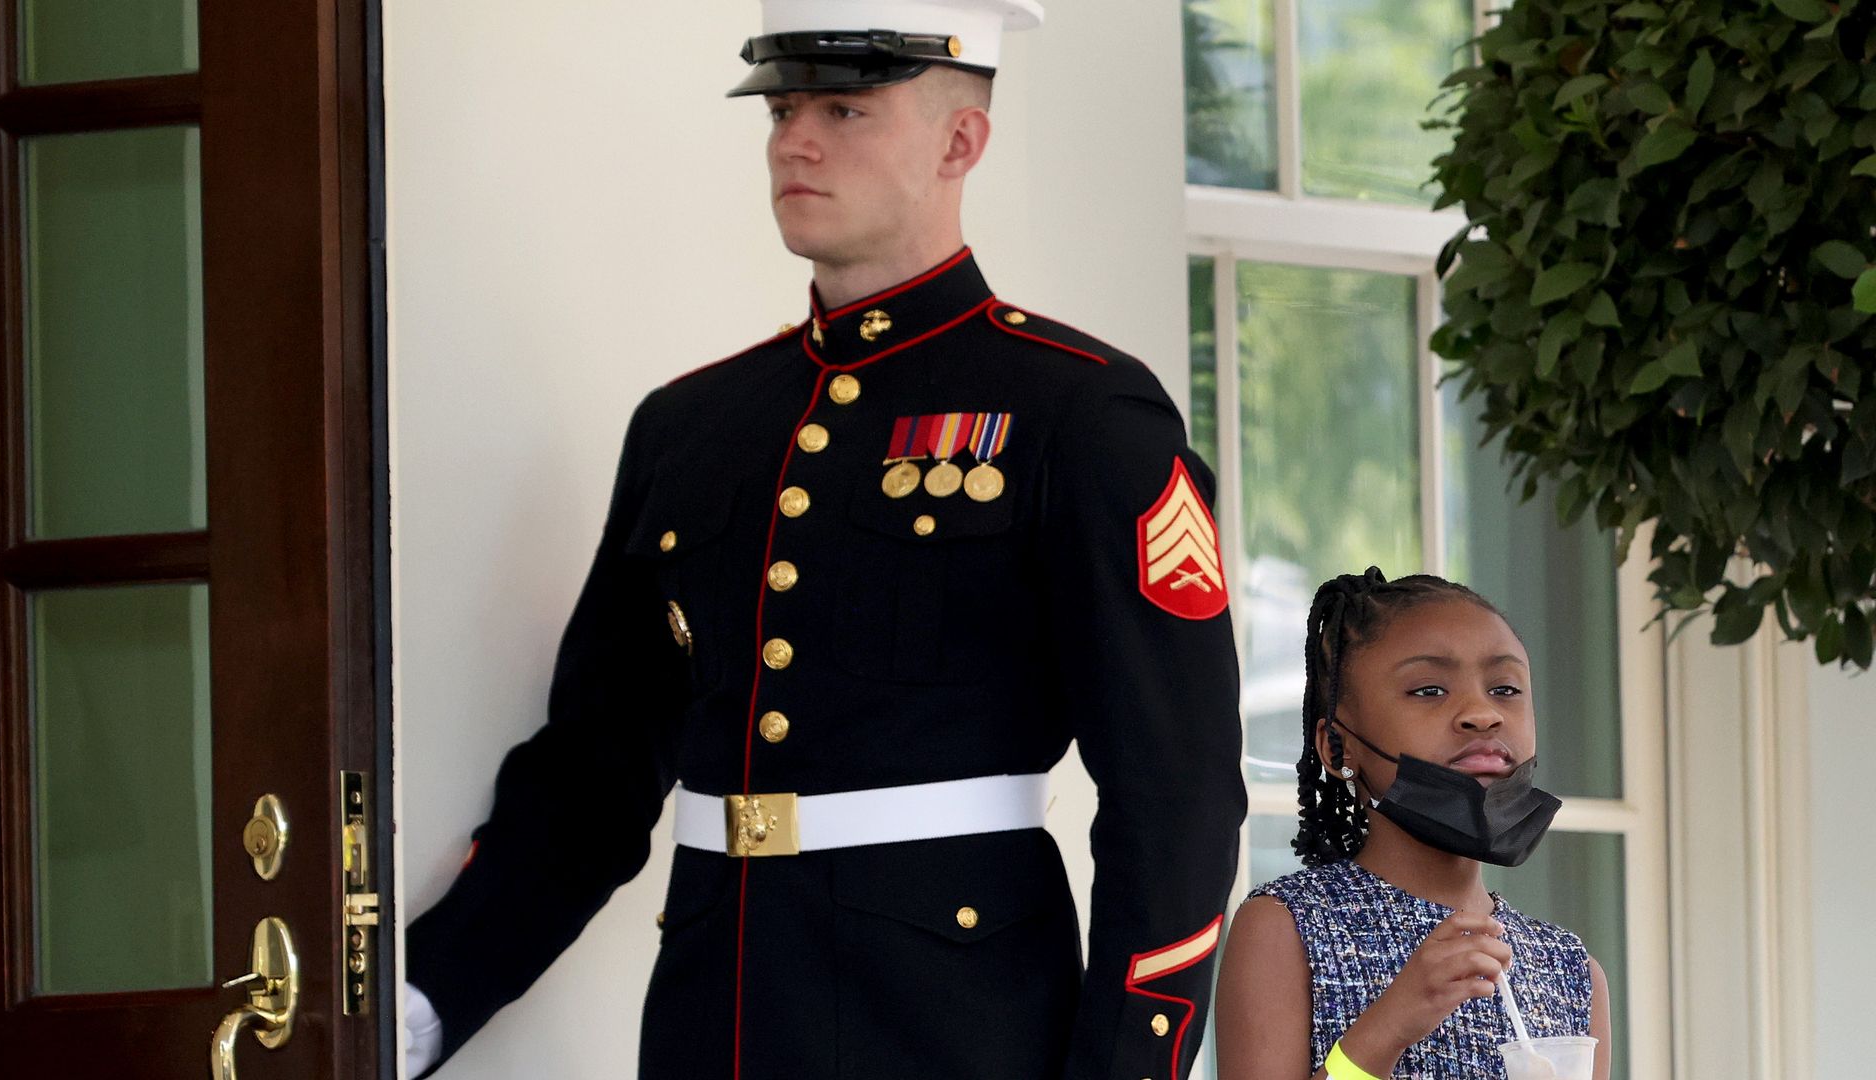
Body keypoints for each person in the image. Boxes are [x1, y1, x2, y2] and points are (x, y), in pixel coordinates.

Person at [404, 2, 1246, 1077]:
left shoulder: (1080, 413)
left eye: (845, 108)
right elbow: (592, 780)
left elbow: (1174, 801)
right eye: (785, 108)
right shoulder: (691, 428)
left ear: (961, 141)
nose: (794, 140)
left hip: (957, 1029)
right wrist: (415, 1010)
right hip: (717, 1022)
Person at [1213, 569, 1611, 1080]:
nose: (1481, 713)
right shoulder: (1287, 928)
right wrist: (1388, 1027)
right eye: (1428, 690)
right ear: (1337, 747)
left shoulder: (1572, 973)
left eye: (1505, 688)